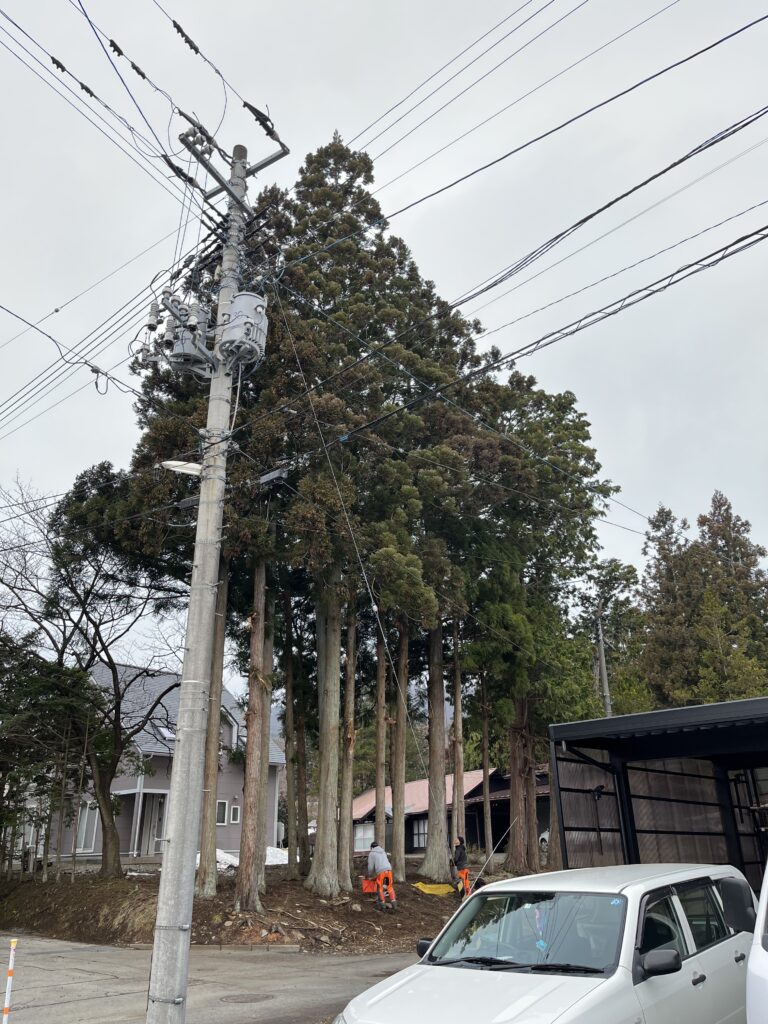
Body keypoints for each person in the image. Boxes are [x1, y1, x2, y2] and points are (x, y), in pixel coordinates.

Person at [367, 842, 396, 911]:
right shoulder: (383, 851)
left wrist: (370, 875)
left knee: (380, 887)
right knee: (389, 886)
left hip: (381, 872)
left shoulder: (372, 853)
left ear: (371, 847)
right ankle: (394, 903)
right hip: (388, 870)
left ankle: (382, 905)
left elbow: (370, 867)